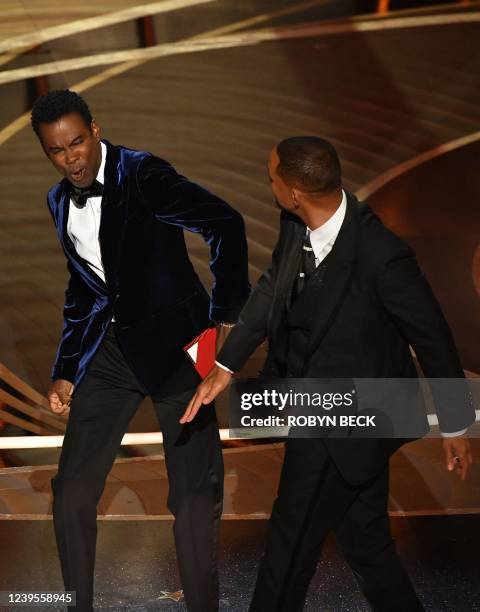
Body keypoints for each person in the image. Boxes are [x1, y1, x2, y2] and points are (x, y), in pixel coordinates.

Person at [182, 136, 475, 611]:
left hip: (353, 416)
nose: (269, 183)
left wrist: (457, 423)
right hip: (309, 402)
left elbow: (432, 335)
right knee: (365, 542)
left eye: (272, 177)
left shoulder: (382, 255)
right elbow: (273, 287)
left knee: (288, 544)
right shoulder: (295, 223)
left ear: (295, 191)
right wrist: (226, 363)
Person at [30, 89, 250, 612]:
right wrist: (66, 370)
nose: (71, 158)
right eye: (57, 151)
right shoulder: (60, 200)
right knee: (74, 491)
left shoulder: (143, 174)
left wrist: (224, 318)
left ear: (95, 129)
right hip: (111, 353)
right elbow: (84, 288)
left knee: (194, 497)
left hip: (184, 347)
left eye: (78, 143)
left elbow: (225, 224)